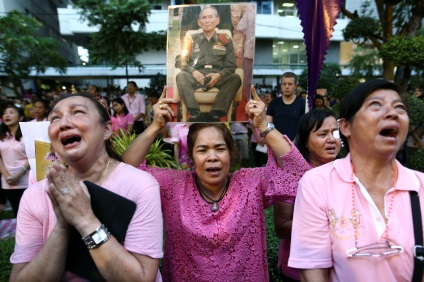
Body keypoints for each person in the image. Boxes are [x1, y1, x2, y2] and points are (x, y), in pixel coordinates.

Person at [122, 86, 310, 281]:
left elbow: (296, 171)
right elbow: (126, 172)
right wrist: (155, 126)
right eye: (202, 150)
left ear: (231, 153)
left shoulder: (251, 184)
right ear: (192, 158)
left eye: (220, 149)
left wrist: (263, 125)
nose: (212, 157)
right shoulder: (173, 186)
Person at [10, 94, 163, 281]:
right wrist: (63, 227)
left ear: (107, 129)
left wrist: (85, 220)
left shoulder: (140, 185)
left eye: (77, 112)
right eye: (55, 118)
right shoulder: (35, 195)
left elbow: (142, 278)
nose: (63, 123)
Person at [289, 79, 424, 281]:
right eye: (376, 105)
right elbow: (313, 269)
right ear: (345, 127)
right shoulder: (318, 184)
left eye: (399, 107)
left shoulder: (420, 186)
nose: (392, 113)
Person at [274, 108, 341, 281]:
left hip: (340, 267)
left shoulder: (347, 170)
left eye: (335, 132)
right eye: (322, 134)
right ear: (305, 141)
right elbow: (281, 228)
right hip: (300, 270)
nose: (331, 139)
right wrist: (328, 222)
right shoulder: (292, 175)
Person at [175, 6, 242, 122]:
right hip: (196, 76)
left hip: (218, 75)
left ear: (217, 20)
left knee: (235, 78)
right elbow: (180, 61)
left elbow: (231, 66)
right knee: (181, 76)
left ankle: (215, 114)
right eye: (204, 18)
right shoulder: (191, 39)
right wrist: (193, 72)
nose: (207, 20)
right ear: (199, 23)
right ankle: (195, 113)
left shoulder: (225, 40)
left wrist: (219, 75)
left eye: (210, 17)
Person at [0, 105, 29, 216]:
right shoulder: (1, 135)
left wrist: (18, 174)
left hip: (27, 180)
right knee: (18, 213)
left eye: (11, 112)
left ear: (21, 117)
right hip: (8, 182)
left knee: (32, 213)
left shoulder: (27, 134)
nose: (7, 115)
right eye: (5, 113)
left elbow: (33, 156)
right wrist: (6, 175)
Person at [267, 72, 306, 140]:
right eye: (284, 84)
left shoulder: (303, 104)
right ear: (281, 85)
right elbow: (269, 126)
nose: (287, 87)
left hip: (297, 144)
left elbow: (306, 127)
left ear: (296, 86)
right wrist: (263, 136)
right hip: (276, 143)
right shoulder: (273, 103)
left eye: (290, 84)